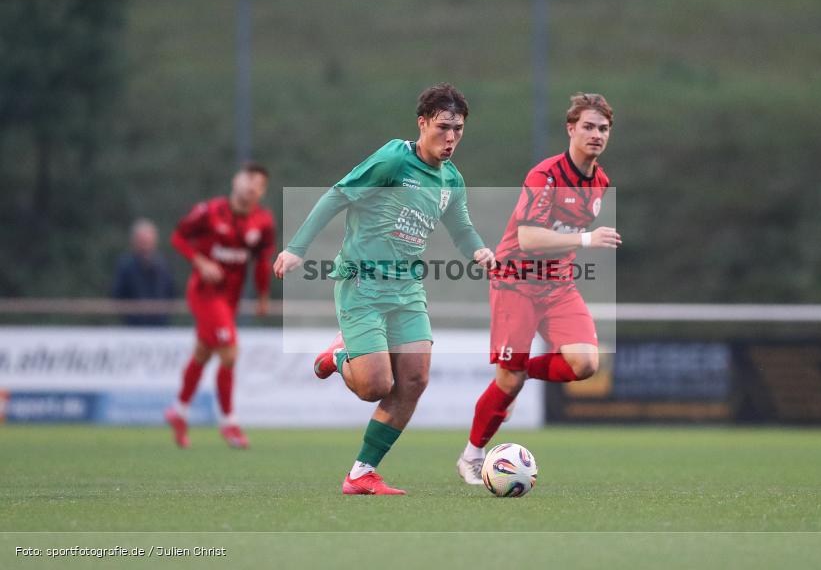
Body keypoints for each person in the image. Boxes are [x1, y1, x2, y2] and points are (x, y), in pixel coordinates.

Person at [274, 83, 495, 495]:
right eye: (443, 127)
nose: (450, 138)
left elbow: (461, 229)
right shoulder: (395, 158)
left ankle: (361, 473)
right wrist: (296, 249)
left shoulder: (452, 180)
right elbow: (338, 196)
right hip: (362, 282)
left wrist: (479, 250)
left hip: (407, 287)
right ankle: (338, 355)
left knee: (413, 380)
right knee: (375, 386)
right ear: (423, 123)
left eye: (458, 130)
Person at [456, 93, 622, 484]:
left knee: (584, 364)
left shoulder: (600, 181)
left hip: (558, 286)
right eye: (588, 126)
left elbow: (562, 236)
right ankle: (471, 455)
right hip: (515, 282)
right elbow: (529, 238)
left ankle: (517, 369)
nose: (596, 134)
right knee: (508, 382)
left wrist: (577, 244)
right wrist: (586, 239)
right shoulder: (545, 176)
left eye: (603, 128)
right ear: (571, 129)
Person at [164, 162, 276, 449]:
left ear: (262, 193)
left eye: (259, 184)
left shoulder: (262, 222)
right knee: (229, 352)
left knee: (203, 353)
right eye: (249, 179)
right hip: (204, 293)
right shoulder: (209, 212)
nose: (252, 186)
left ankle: (179, 411)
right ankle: (229, 424)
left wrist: (263, 296)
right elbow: (178, 237)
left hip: (230, 299)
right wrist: (200, 262)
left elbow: (262, 262)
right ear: (235, 180)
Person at [112, 218, 175, 326]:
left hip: (160, 328)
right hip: (133, 327)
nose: (145, 245)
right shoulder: (126, 266)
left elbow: (171, 293)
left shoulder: (163, 265)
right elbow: (118, 295)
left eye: (148, 241)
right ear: (134, 242)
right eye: (142, 241)